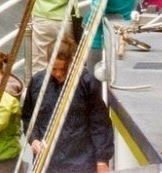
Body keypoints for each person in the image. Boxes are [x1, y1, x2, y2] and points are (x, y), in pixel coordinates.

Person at [22, 36, 114, 172]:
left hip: (81, 163)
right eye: (53, 69)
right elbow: (29, 117)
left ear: (71, 61)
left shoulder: (86, 83)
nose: (58, 74)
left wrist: (102, 160)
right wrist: (34, 139)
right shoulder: (37, 82)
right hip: (48, 162)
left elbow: (100, 124)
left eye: (63, 69)